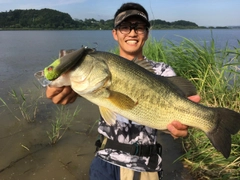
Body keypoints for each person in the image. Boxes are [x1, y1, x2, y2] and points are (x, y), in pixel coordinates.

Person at [46, 2, 201, 180]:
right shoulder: (101, 70)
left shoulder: (163, 72)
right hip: (103, 162)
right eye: (125, 27)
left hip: (143, 166)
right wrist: (58, 89)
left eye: (139, 27)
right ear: (115, 33)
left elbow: (168, 119)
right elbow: (69, 92)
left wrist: (178, 127)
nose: (132, 32)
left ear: (147, 34)